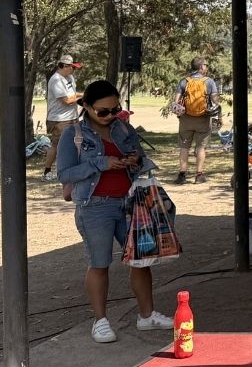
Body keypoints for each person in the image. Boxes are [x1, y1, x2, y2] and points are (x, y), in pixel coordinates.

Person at [55, 79, 174, 343]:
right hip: (95, 206)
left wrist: (135, 160)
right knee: (100, 263)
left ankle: (146, 315)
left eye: (115, 109)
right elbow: (64, 173)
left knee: (141, 259)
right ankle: (100, 321)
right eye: (103, 111)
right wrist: (101, 163)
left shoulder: (123, 128)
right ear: (87, 106)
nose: (110, 115)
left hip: (131, 203)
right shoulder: (73, 134)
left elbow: (141, 157)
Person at [174, 58, 219, 184]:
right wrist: (218, 115)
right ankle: (199, 175)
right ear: (201, 67)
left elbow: (176, 102)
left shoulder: (184, 81)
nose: (207, 67)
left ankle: (182, 175)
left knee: (184, 147)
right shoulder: (209, 81)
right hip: (203, 119)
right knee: (201, 147)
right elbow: (215, 101)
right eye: (206, 65)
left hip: (186, 119)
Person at [41, 54, 82, 180]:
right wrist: (85, 96)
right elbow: (67, 100)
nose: (74, 70)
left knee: (74, 144)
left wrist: (82, 95)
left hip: (72, 117)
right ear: (63, 66)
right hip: (59, 120)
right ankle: (47, 172)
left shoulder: (70, 77)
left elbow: (73, 94)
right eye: (72, 67)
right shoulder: (56, 80)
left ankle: (71, 169)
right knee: (57, 145)